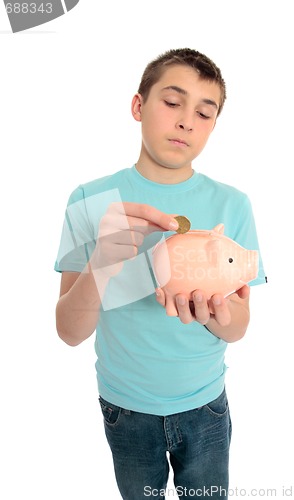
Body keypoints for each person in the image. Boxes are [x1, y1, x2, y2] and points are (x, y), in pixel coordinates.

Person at [55, 48, 266, 499]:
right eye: (172, 103)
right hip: (124, 408)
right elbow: (69, 332)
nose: (187, 121)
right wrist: (102, 261)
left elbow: (240, 327)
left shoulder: (233, 205)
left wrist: (212, 311)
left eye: (204, 113)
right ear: (138, 106)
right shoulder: (90, 201)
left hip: (205, 406)